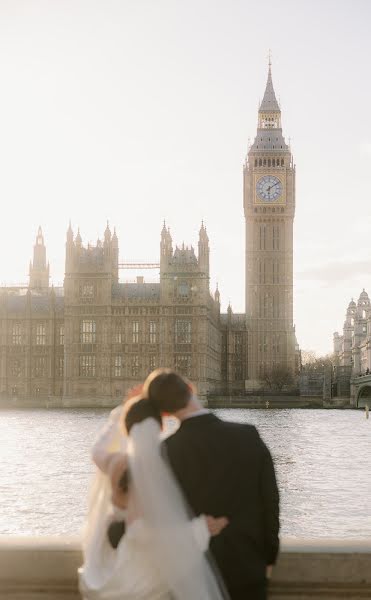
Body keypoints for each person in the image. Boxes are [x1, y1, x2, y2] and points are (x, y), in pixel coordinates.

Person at [145, 369, 280, 600]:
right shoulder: (248, 435)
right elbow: (270, 502)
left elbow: (158, 519)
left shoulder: (165, 451)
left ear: (164, 411)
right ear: (191, 388)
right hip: (247, 567)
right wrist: (269, 557)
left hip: (191, 573)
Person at [78, 395, 230, 600]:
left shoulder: (115, 462)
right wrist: (200, 529)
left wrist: (117, 418)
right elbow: (143, 532)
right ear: (158, 427)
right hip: (140, 574)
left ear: (127, 427)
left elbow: (97, 451)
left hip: (113, 560)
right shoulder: (153, 471)